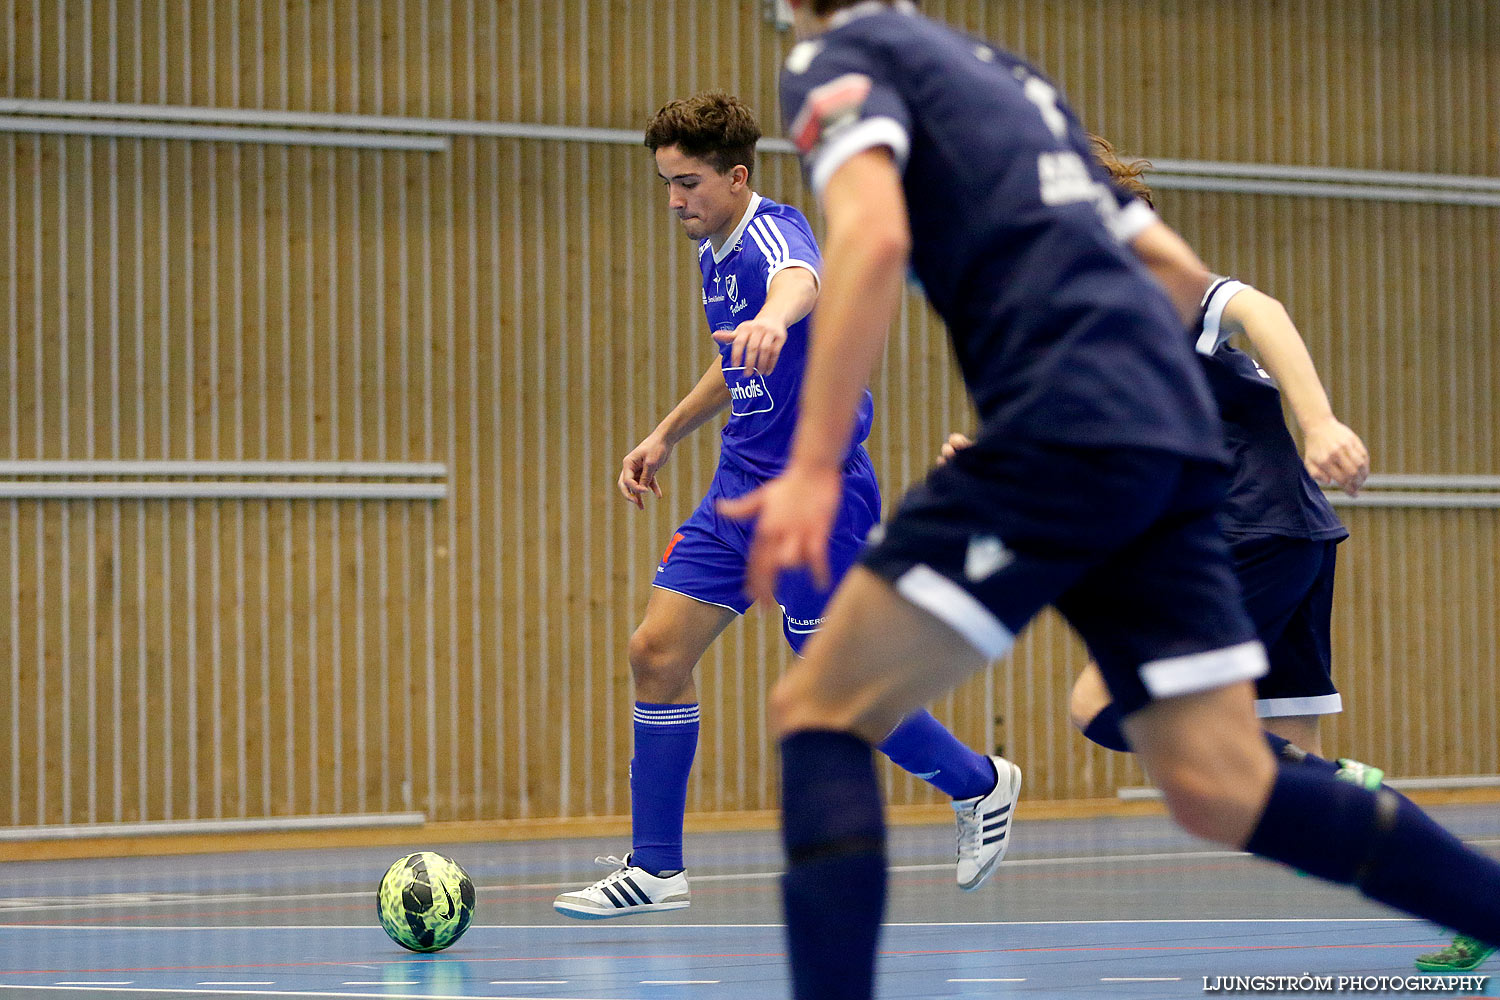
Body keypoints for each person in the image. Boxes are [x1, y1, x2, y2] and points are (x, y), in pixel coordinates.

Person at [719, 3, 1499, 996]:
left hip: (1077, 426)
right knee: (1223, 786)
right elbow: (1173, 271)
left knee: (821, 708)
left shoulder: (837, 58)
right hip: (1172, 441)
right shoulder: (1009, 78)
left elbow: (868, 243)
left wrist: (816, 464)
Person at [950, 138, 1489, 976]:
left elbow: (1259, 310)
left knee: (1099, 702)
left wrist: (1319, 423)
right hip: (1278, 542)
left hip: (1254, 536)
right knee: (1290, 791)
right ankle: (1477, 905)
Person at [552, 90, 1020, 921]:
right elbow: (736, 366)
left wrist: (775, 312)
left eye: (688, 183)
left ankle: (980, 784)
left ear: (736, 177)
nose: (674, 201)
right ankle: (656, 869)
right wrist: (666, 433)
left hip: (817, 495)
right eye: (665, 183)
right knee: (656, 653)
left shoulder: (771, 233)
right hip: (738, 490)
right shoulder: (710, 248)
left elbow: (802, 277)